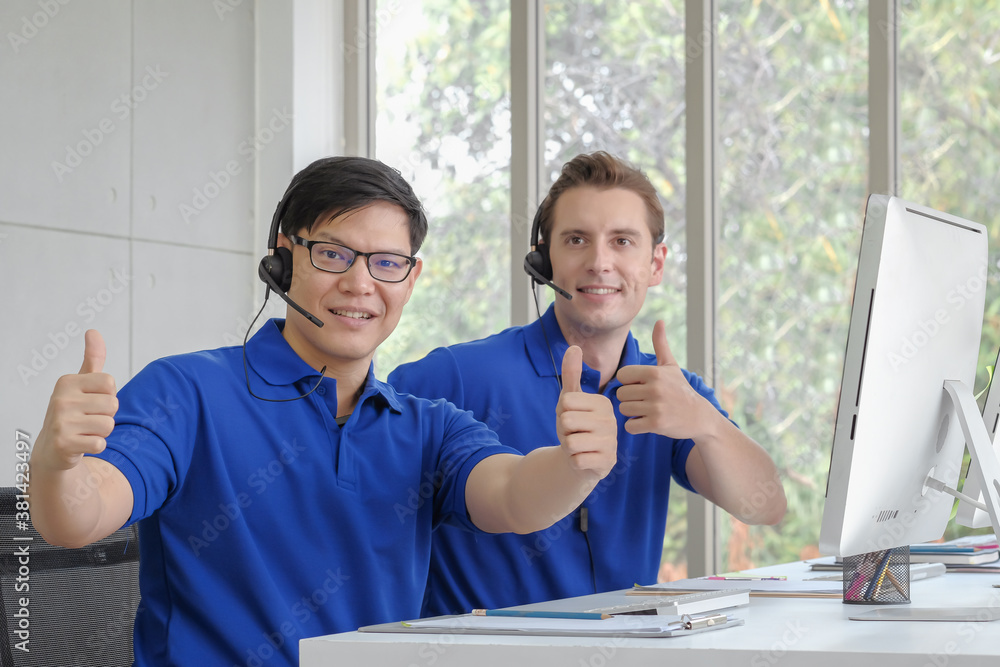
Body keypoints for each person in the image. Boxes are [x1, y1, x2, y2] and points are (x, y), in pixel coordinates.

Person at [28, 156, 618, 667]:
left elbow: (514, 496)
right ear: (285, 259)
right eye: (334, 254)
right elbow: (77, 519)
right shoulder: (186, 391)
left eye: (387, 263)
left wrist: (576, 467)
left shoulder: (428, 427)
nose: (361, 284)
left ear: (410, 281)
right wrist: (58, 465)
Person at [389, 151, 787, 617]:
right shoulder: (454, 376)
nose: (600, 262)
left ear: (656, 264)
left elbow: (766, 507)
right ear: (544, 258)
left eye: (622, 241)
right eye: (577, 240)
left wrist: (706, 424)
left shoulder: (672, 393)